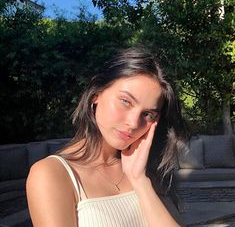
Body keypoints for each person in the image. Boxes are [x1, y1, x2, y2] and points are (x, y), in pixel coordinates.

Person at [26, 46, 188, 227]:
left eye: (148, 114)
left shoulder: (147, 168)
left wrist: (139, 180)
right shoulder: (52, 174)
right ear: (96, 95)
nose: (134, 123)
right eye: (125, 101)